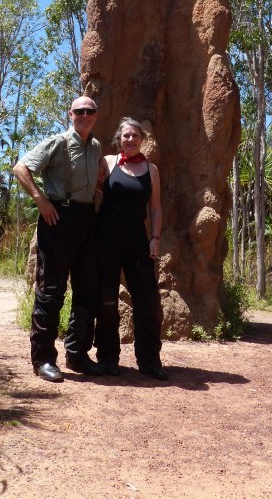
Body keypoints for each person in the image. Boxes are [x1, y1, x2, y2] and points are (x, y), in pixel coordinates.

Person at [13, 96, 104, 383]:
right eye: (80, 111)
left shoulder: (96, 146)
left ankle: (77, 354)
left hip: (87, 220)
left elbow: (97, 181)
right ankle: (43, 359)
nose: (85, 115)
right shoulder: (58, 143)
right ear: (71, 114)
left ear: (95, 115)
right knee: (51, 290)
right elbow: (21, 168)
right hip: (58, 219)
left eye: (90, 111)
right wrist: (40, 200)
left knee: (87, 290)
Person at [95, 117, 167, 380]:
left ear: (142, 139)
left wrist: (155, 237)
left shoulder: (152, 170)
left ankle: (149, 361)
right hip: (106, 240)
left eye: (135, 135)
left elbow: (155, 207)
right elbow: (94, 186)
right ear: (119, 139)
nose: (130, 140)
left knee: (147, 302)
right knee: (107, 300)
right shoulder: (108, 162)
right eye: (126, 136)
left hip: (138, 242)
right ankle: (108, 358)